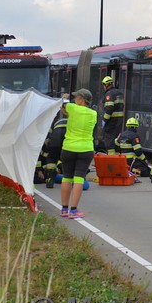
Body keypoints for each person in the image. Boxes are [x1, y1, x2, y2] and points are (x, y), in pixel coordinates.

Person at [60, 89, 97, 219]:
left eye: (76, 97)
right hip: (85, 149)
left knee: (66, 178)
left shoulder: (72, 108)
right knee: (79, 179)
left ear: (82, 99)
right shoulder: (93, 114)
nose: (75, 99)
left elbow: (63, 104)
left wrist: (64, 97)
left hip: (68, 148)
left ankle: (64, 209)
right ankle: (74, 211)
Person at [43, 99, 69, 188]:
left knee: (52, 158)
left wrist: (47, 148)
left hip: (54, 139)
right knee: (68, 158)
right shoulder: (74, 118)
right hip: (66, 139)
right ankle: (69, 179)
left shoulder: (55, 119)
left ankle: (50, 179)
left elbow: (48, 134)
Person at [101, 75, 124, 153]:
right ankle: (117, 157)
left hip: (111, 121)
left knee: (109, 142)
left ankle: (111, 159)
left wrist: (104, 120)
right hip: (119, 121)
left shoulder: (109, 94)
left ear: (106, 85)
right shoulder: (119, 93)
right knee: (116, 140)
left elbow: (109, 107)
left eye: (104, 85)